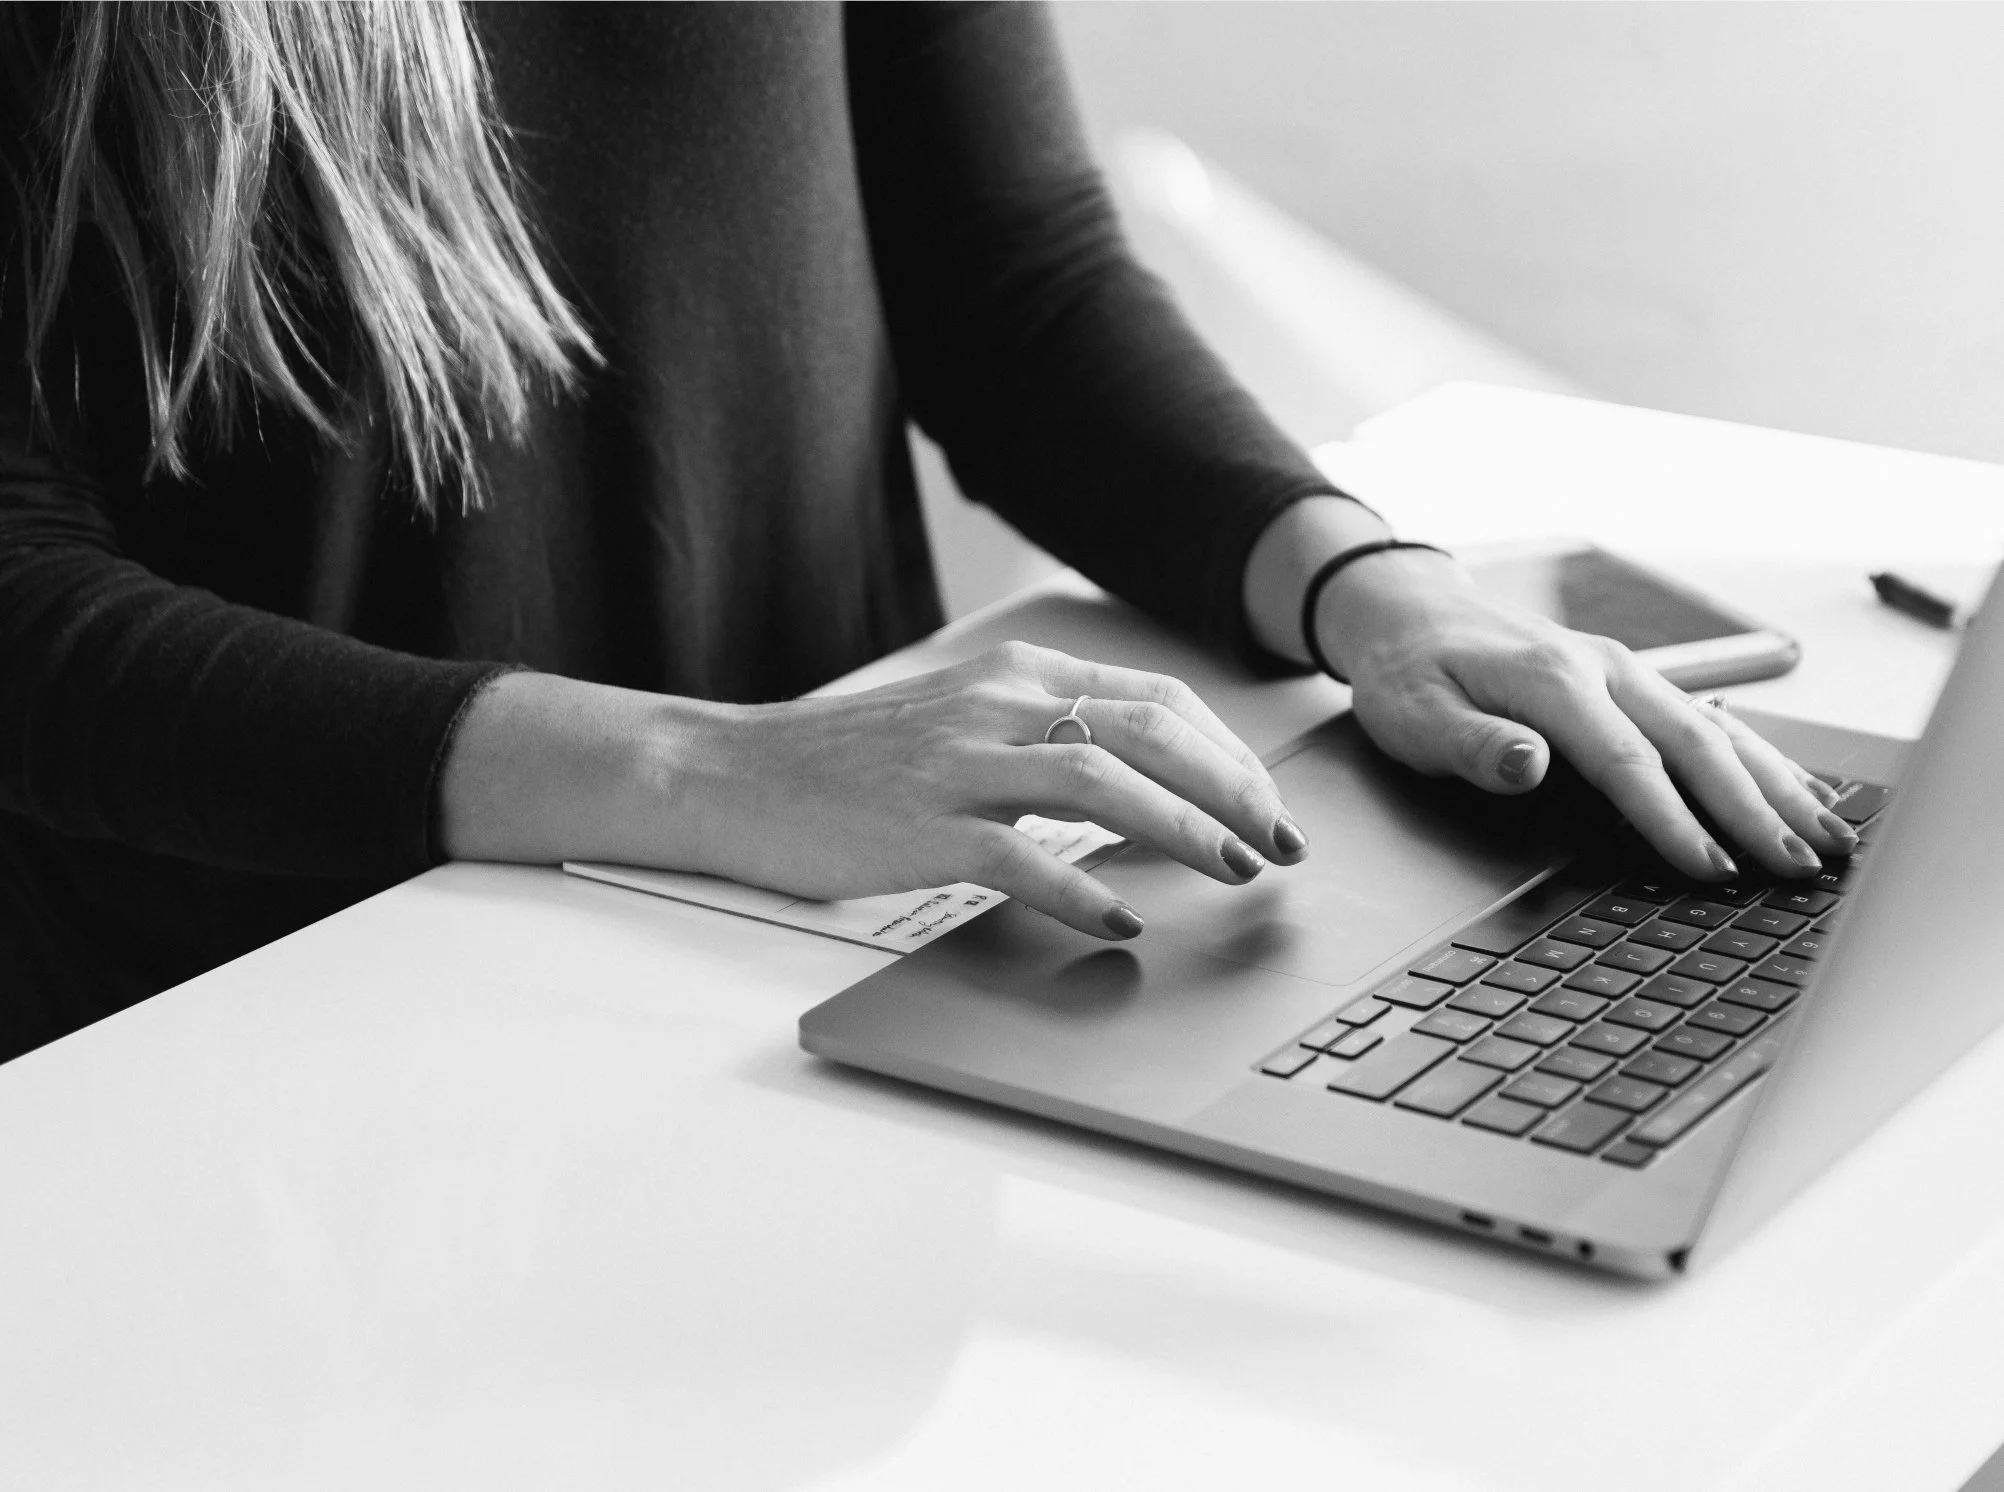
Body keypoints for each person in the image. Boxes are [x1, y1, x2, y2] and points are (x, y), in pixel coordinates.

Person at [0, 2, 1855, 1063]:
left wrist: (1366, 583)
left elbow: (1013, 278)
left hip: (830, 934)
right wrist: (695, 768)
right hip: (259, 1025)